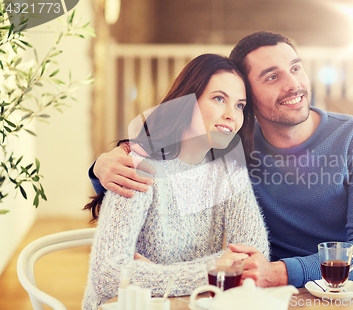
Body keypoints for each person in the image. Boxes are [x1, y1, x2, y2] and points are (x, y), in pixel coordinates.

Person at [90, 32, 353, 290]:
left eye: (296, 68)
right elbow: (168, 159)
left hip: (345, 290)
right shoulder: (233, 146)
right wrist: (101, 167)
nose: (293, 84)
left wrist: (278, 272)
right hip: (265, 293)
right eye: (272, 77)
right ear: (250, 97)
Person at [82, 54, 269, 310]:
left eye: (239, 105)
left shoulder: (229, 172)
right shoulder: (139, 165)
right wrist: (212, 270)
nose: (231, 115)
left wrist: (155, 275)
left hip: (188, 305)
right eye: (219, 99)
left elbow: (254, 256)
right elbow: (108, 275)